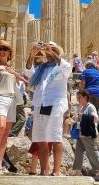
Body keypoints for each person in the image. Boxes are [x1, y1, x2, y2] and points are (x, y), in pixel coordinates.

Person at [26, 42, 72, 176]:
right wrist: (32, 55)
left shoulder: (62, 67)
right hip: (40, 104)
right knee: (40, 139)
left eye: (52, 51)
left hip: (55, 104)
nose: (48, 53)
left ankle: (56, 170)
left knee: (56, 137)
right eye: (47, 51)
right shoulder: (42, 68)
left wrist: (52, 52)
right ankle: (44, 170)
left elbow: (67, 68)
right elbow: (28, 71)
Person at [0, 42, 23, 169]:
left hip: (12, 100)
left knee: (6, 132)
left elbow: (19, 84)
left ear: (9, 53)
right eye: (0, 49)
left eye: (5, 49)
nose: (2, 51)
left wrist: (15, 74)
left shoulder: (10, 67)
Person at [72, 90, 99, 180]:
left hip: (88, 135)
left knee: (92, 153)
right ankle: (78, 171)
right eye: (77, 97)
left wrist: (83, 116)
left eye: (80, 97)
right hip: (81, 134)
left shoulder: (90, 107)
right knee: (78, 152)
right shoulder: (82, 107)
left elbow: (96, 119)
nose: (78, 99)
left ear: (85, 97)